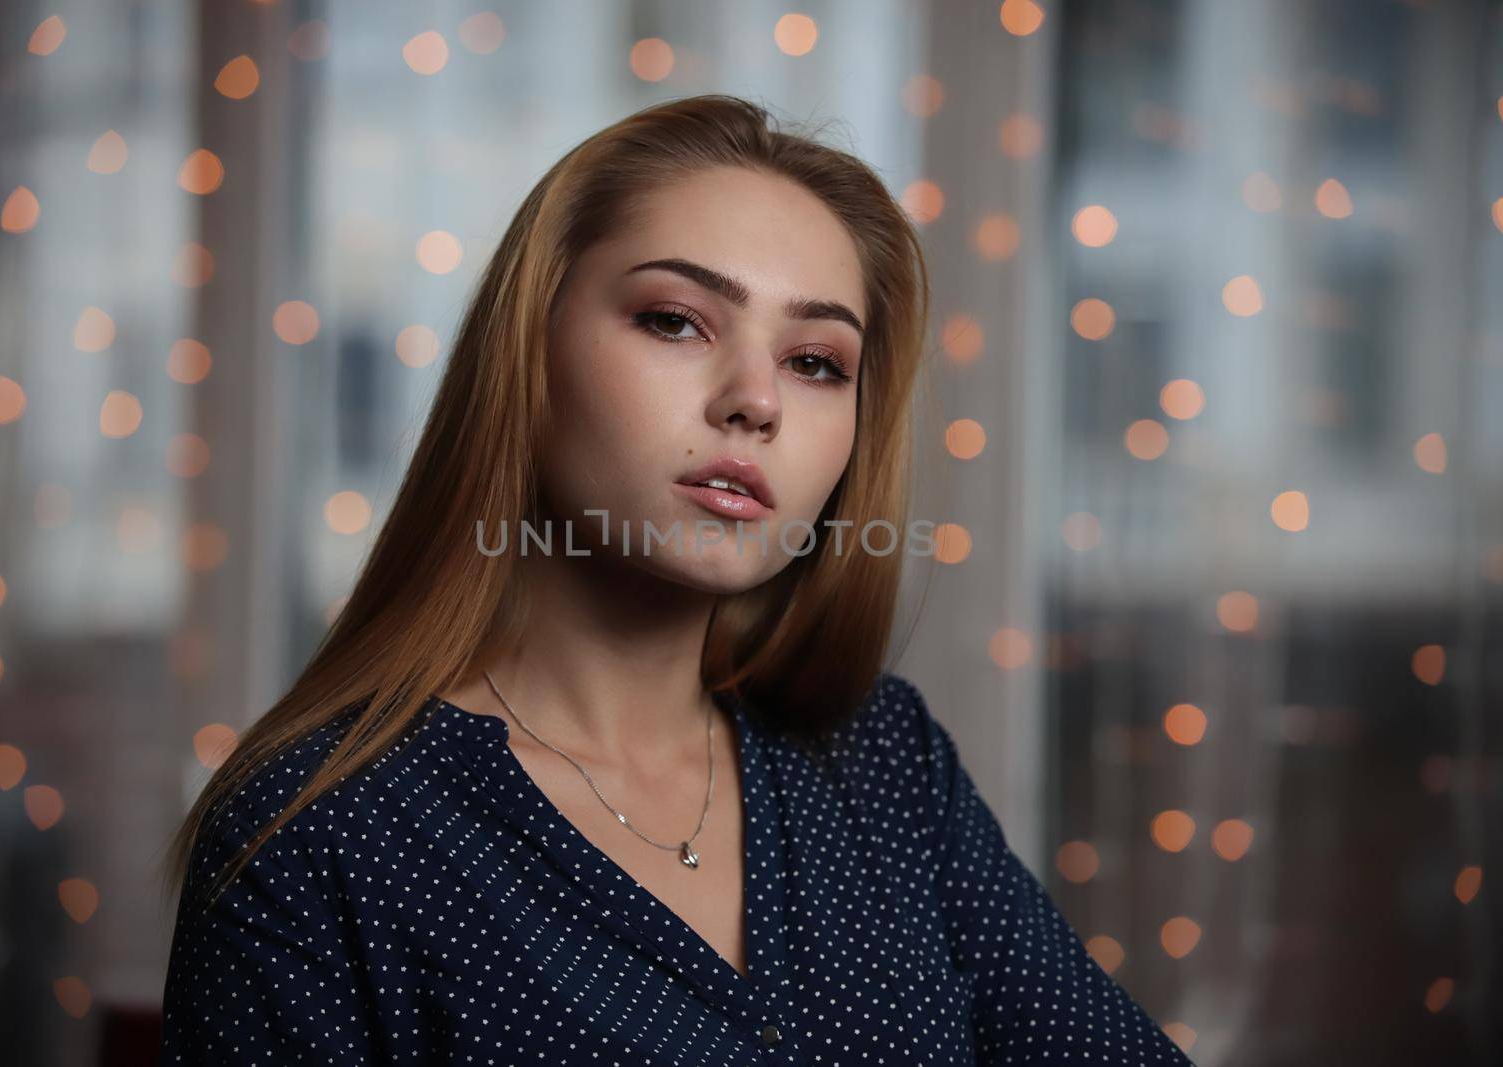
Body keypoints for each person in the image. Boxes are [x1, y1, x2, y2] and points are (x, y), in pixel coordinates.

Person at [157, 93, 1195, 1065]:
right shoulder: (316, 832)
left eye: (816, 361)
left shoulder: (883, 761)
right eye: (675, 320)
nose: (755, 402)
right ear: (528, 354)